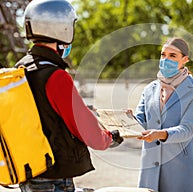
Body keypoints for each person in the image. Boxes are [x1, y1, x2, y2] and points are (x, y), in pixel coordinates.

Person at [16, 0, 123, 191]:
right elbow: (85, 128)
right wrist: (109, 138)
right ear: (63, 29)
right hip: (54, 177)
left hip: (29, 171)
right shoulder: (55, 76)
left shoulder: (20, 69)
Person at [134, 37, 193, 192]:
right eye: (163, 55)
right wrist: (124, 120)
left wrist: (160, 134)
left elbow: (187, 130)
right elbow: (140, 121)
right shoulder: (149, 89)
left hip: (179, 170)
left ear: (184, 60)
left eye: (172, 56)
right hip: (150, 170)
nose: (166, 60)